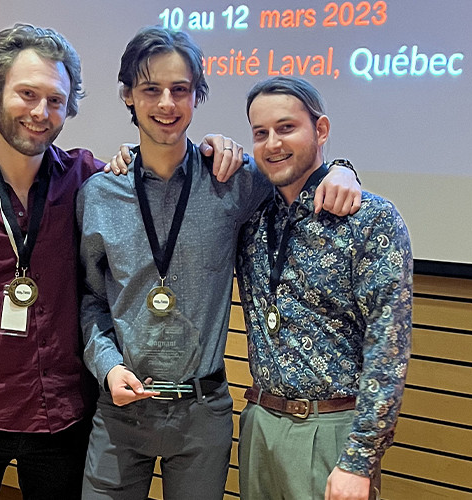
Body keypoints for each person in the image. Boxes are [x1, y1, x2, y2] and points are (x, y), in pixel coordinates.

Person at [0, 24, 248, 500]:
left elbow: (152, 166)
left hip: (62, 414)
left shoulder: (87, 179)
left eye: (55, 100)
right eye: (27, 94)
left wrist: (218, 145)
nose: (41, 112)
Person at [75, 28, 363, 500]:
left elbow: (299, 170)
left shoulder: (232, 179)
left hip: (201, 412)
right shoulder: (100, 194)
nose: (166, 103)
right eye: (151, 89)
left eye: (180, 89)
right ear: (128, 95)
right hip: (121, 410)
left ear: (197, 96)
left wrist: (343, 169)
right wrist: (107, 366)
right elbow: (91, 299)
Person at [235, 76, 412, 500]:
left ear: (321, 129)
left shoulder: (370, 220)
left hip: (331, 429)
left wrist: (359, 459)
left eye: (286, 128)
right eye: (260, 133)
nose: (273, 144)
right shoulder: (250, 216)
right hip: (260, 423)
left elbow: (387, 350)